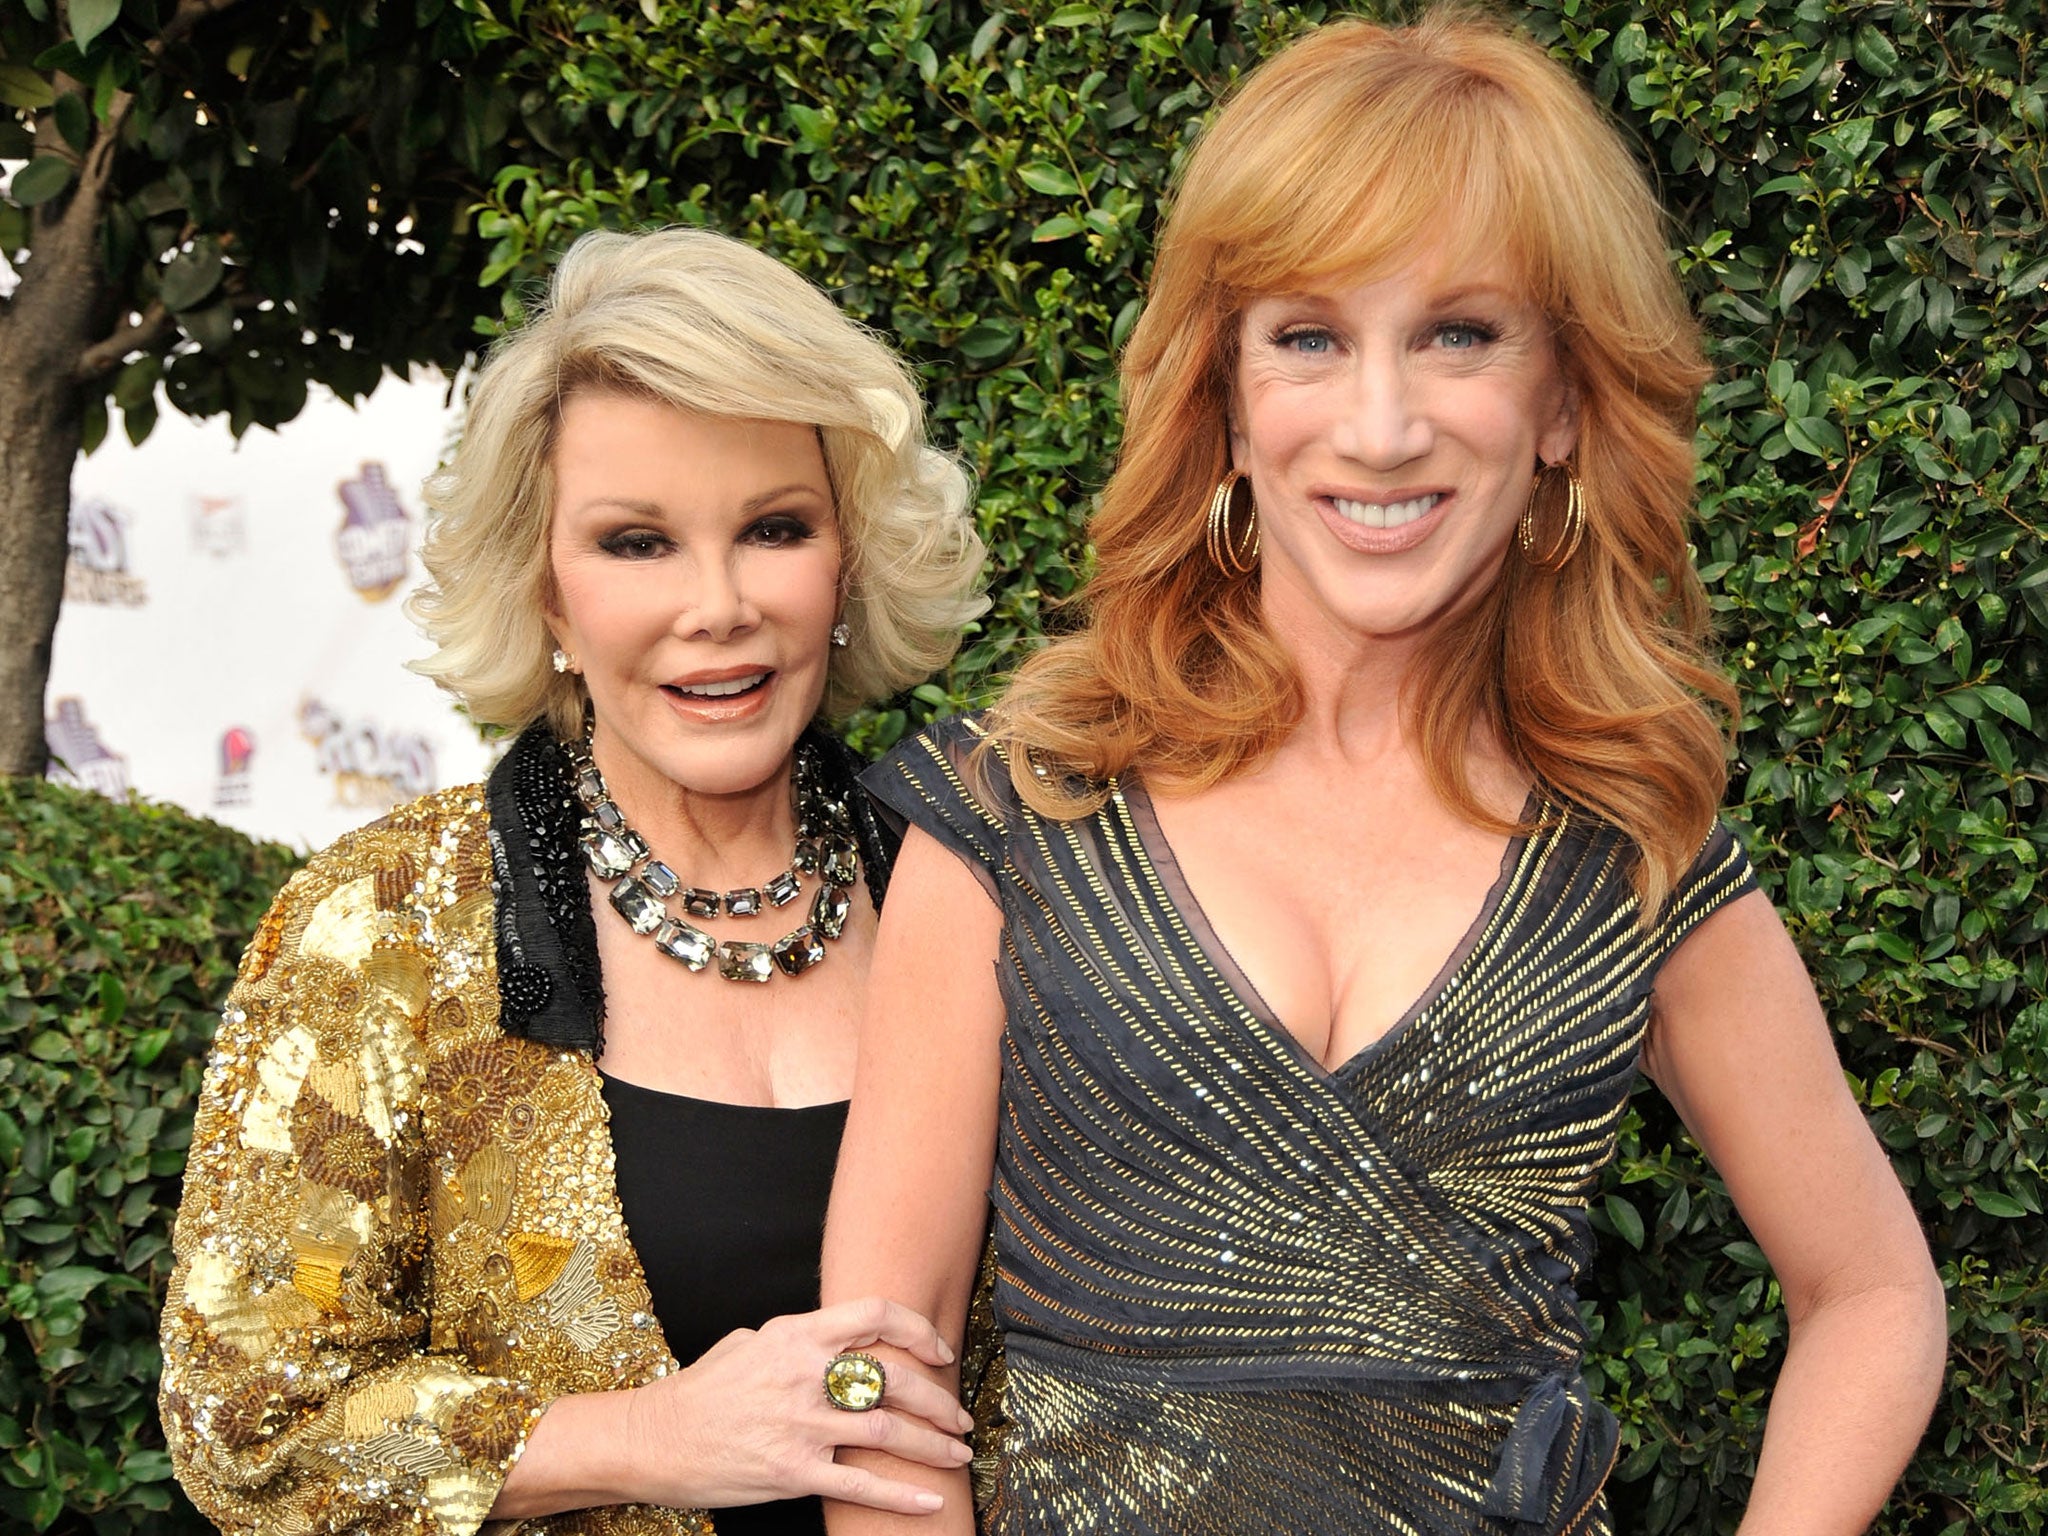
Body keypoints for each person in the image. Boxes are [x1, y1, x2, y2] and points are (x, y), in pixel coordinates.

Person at [818, 14, 1946, 1535]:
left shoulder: (1634, 853)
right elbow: (881, 1358)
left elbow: (1875, 1290)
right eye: (1309, 336)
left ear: (1562, 405)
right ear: (1221, 393)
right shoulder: (1024, 807)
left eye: (1461, 334)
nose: (1383, 424)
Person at [158, 227, 989, 1536]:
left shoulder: (972, 894)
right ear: (546, 593)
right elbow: (248, 1421)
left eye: (774, 528)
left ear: (849, 563)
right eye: (637, 543)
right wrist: (648, 1439)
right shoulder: (386, 922)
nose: (718, 607)